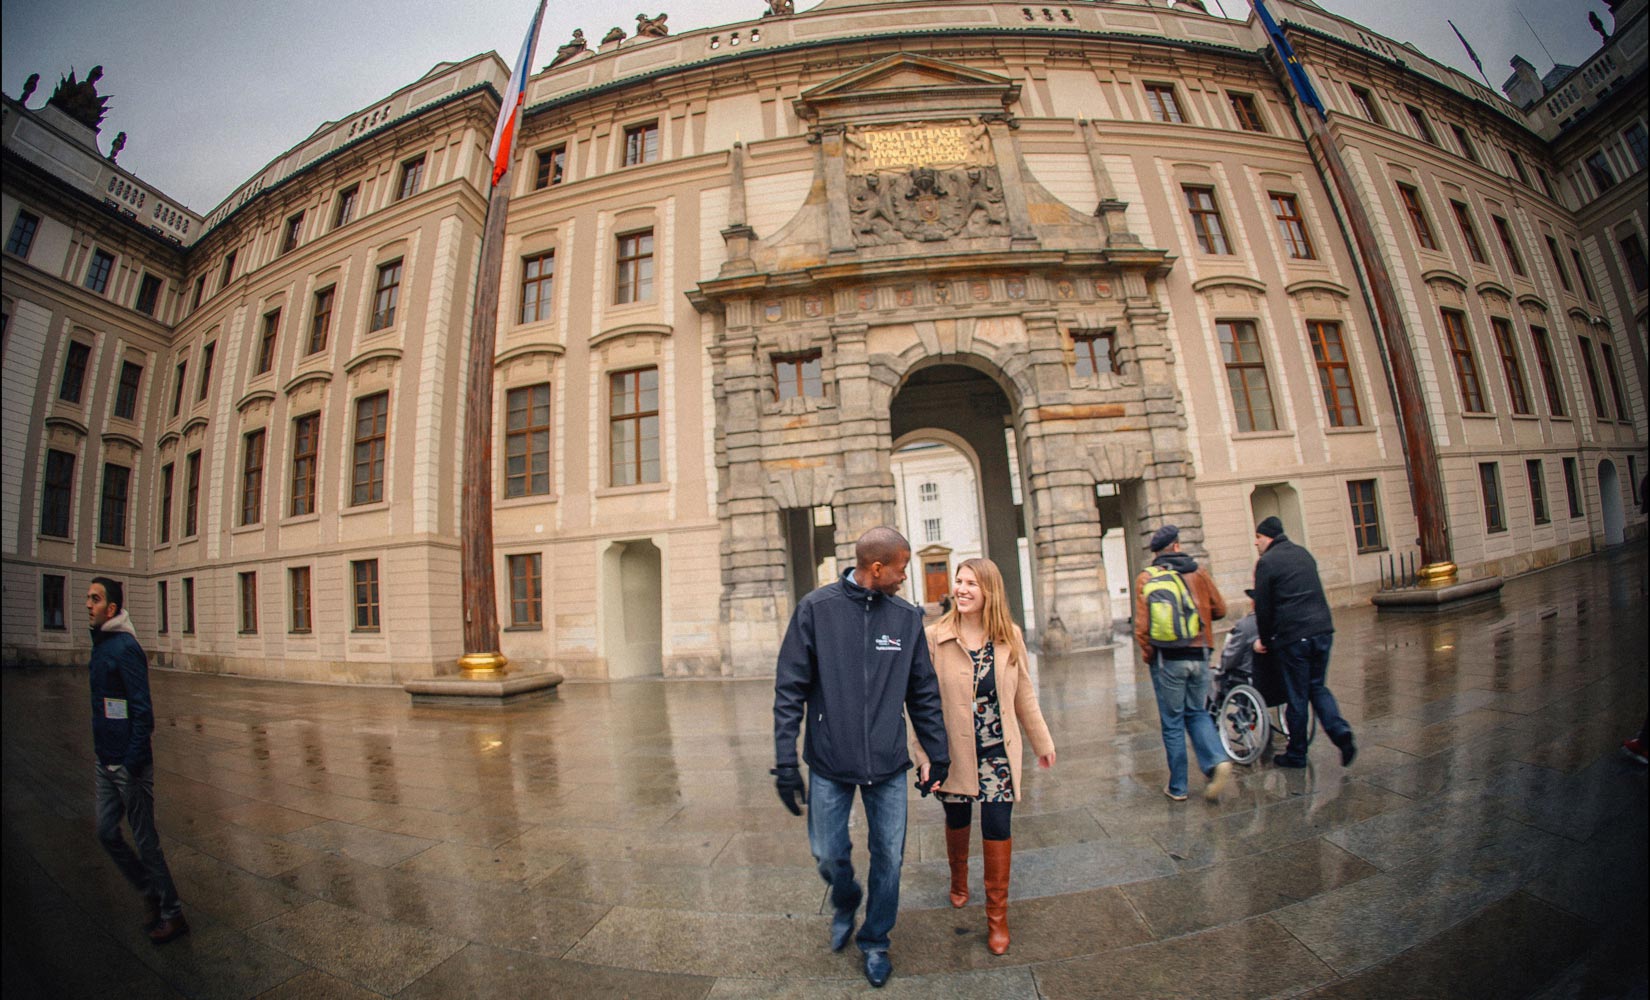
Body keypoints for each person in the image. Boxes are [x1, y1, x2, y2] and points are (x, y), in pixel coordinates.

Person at [772, 527, 949, 988]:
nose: (905, 577)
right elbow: (789, 689)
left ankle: (875, 940)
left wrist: (939, 752)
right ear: (876, 568)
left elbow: (923, 690)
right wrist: (785, 761)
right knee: (827, 853)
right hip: (830, 761)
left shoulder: (906, 617)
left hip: (888, 764)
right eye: (901, 568)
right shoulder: (816, 609)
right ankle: (846, 898)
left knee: (889, 857)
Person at [913, 558, 1054, 956]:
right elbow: (919, 704)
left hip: (997, 755)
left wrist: (1042, 742)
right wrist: (923, 754)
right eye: (958, 581)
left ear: (989, 590)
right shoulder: (934, 637)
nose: (961, 589)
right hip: (953, 754)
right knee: (957, 818)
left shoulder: (1009, 635)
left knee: (997, 825)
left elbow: (1023, 692)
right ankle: (959, 878)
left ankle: (997, 917)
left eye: (971, 583)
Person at [86, 576, 188, 943]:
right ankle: (149, 889)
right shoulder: (101, 645)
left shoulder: (125, 648)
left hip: (129, 765)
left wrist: (130, 763)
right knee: (105, 831)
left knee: (146, 841)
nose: (88, 604)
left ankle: (172, 913)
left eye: (95, 599)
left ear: (111, 609)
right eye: (88, 598)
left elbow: (143, 712)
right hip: (105, 760)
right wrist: (105, 754)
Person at [1134, 524, 1233, 802]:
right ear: (1177, 546)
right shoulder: (1198, 572)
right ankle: (1217, 760)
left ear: (1156, 553)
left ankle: (1178, 787)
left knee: (1173, 721)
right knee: (1198, 712)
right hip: (1200, 654)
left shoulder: (1146, 578)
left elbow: (1142, 627)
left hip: (1168, 660)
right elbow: (1221, 609)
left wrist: (1149, 656)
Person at [1250, 516, 1357, 768]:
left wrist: (1265, 639)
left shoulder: (1266, 563)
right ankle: (1340, 731)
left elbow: (1263, 608)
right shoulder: (1303, 553)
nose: (1256, 543)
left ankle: (1296, 754)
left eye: (1258, 538)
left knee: (1296, 696)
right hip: (1322, 630)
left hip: (1294, 637)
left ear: (1268, 537)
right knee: (1317, 687)